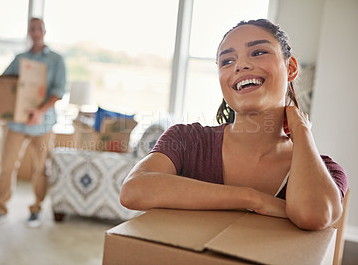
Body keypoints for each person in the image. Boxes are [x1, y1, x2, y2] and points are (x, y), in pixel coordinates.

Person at [120, 19, 348, 231]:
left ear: (291, 68)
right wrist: (253, 199)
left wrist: (302, 130)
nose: (241, 65)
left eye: (258, 52)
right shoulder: (186, 139)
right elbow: (134, 190)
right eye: (227, 61)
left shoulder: (325, 172)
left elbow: (313, 215)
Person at [0, 17, 67, 228]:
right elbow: (2, 86)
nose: (35, 32)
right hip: (16, 124)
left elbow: (58, 92)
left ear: (45, 31)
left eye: (39, 29)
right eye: (31, 29)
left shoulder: (56, 60)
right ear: (28, 32)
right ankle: (1, 210)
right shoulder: (20, 58)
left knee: (40, 168)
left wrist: (40, 111)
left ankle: (36, 210)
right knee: (7, 166)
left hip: (42, 123)